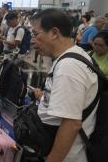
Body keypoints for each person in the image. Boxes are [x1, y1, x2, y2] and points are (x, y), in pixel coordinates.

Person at [31, 9, 98, 162]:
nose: (32, 40)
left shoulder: (68, 67)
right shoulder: (73, 55)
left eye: (36, 34)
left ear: (54, 33)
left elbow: (72, 124)